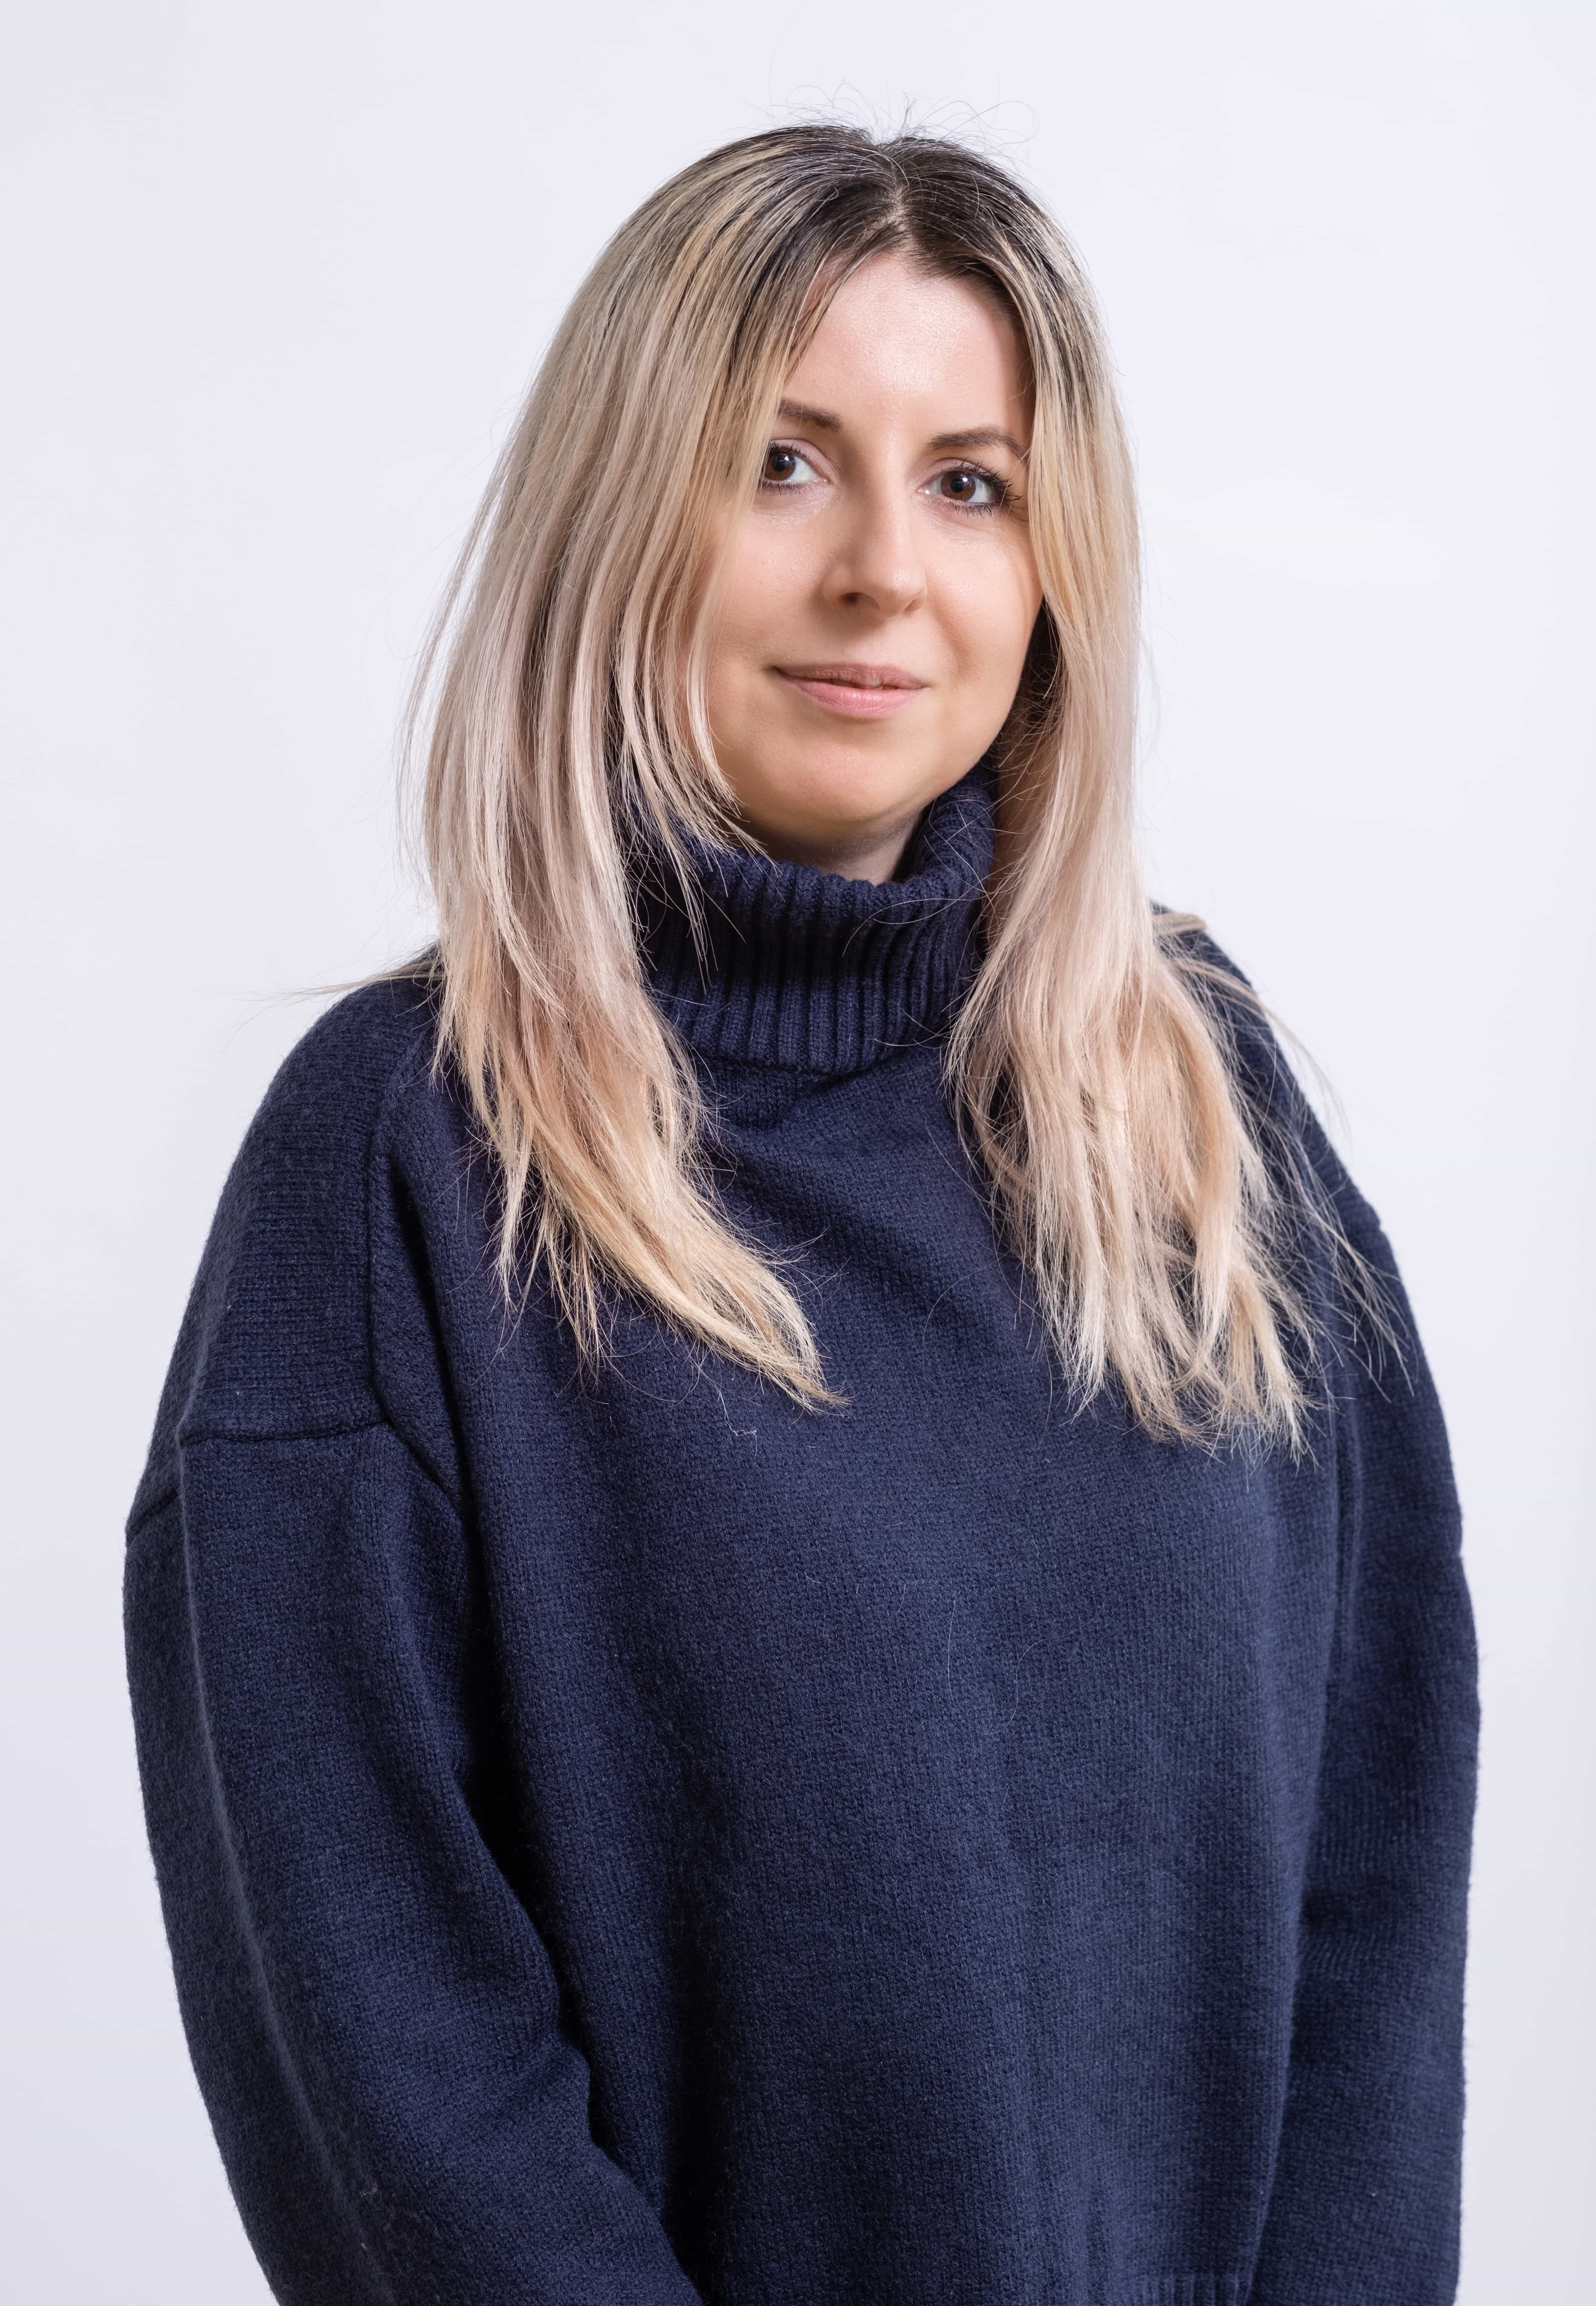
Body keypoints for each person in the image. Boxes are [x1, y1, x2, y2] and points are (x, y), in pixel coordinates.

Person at [123, 124, 1479, 2306]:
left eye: (971, 482)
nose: (882, 571)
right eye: (780, 463)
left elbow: (1375, 1907)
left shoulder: (1194, 1106)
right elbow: (393, 2063)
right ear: (617, 514)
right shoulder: (399, 1163)